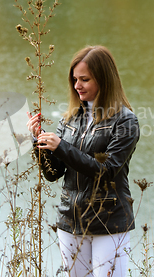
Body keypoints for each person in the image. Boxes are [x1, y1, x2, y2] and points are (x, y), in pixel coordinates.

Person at [26, 45, 140, 277]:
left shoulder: (125, 121)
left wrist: (62, 147)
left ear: (104, 79)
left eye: (84, 79)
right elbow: (53, 174)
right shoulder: (69, 119)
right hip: (70, 221)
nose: (77, 85)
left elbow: (107, 170)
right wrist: (38, 141)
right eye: (75, 79)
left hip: (108, 222)